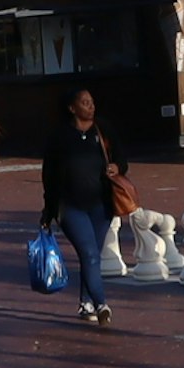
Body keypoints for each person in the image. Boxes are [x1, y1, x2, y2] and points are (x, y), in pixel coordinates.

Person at [39, 85, 130, 328]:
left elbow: (121, 157)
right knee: (89, 253)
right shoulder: (60, 136)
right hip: (70, 207)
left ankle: (85, 303)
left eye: (91, 102)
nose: (91, 106)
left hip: (101, 206)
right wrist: (49, 210)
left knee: (91, 256)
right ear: (72, 108)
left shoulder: (103, 129)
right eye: (84, 102)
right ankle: (101, 304)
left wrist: (117, 167)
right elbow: (49, 174)